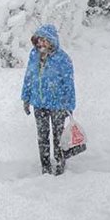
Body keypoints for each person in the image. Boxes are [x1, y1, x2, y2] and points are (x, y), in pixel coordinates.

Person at [21, 23, 76, 176]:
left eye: (44, 40)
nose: (41, 44)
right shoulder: (34, 55)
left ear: (52, 41)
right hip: (39, 104)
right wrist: (26, 98)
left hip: (58, 105)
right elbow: (29, 78)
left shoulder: (62, 59)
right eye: (39, 40)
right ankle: (45, 167)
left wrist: (69, 105)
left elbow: (69, 84)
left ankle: (59, 165)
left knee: (58, 137)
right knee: (42, 137)